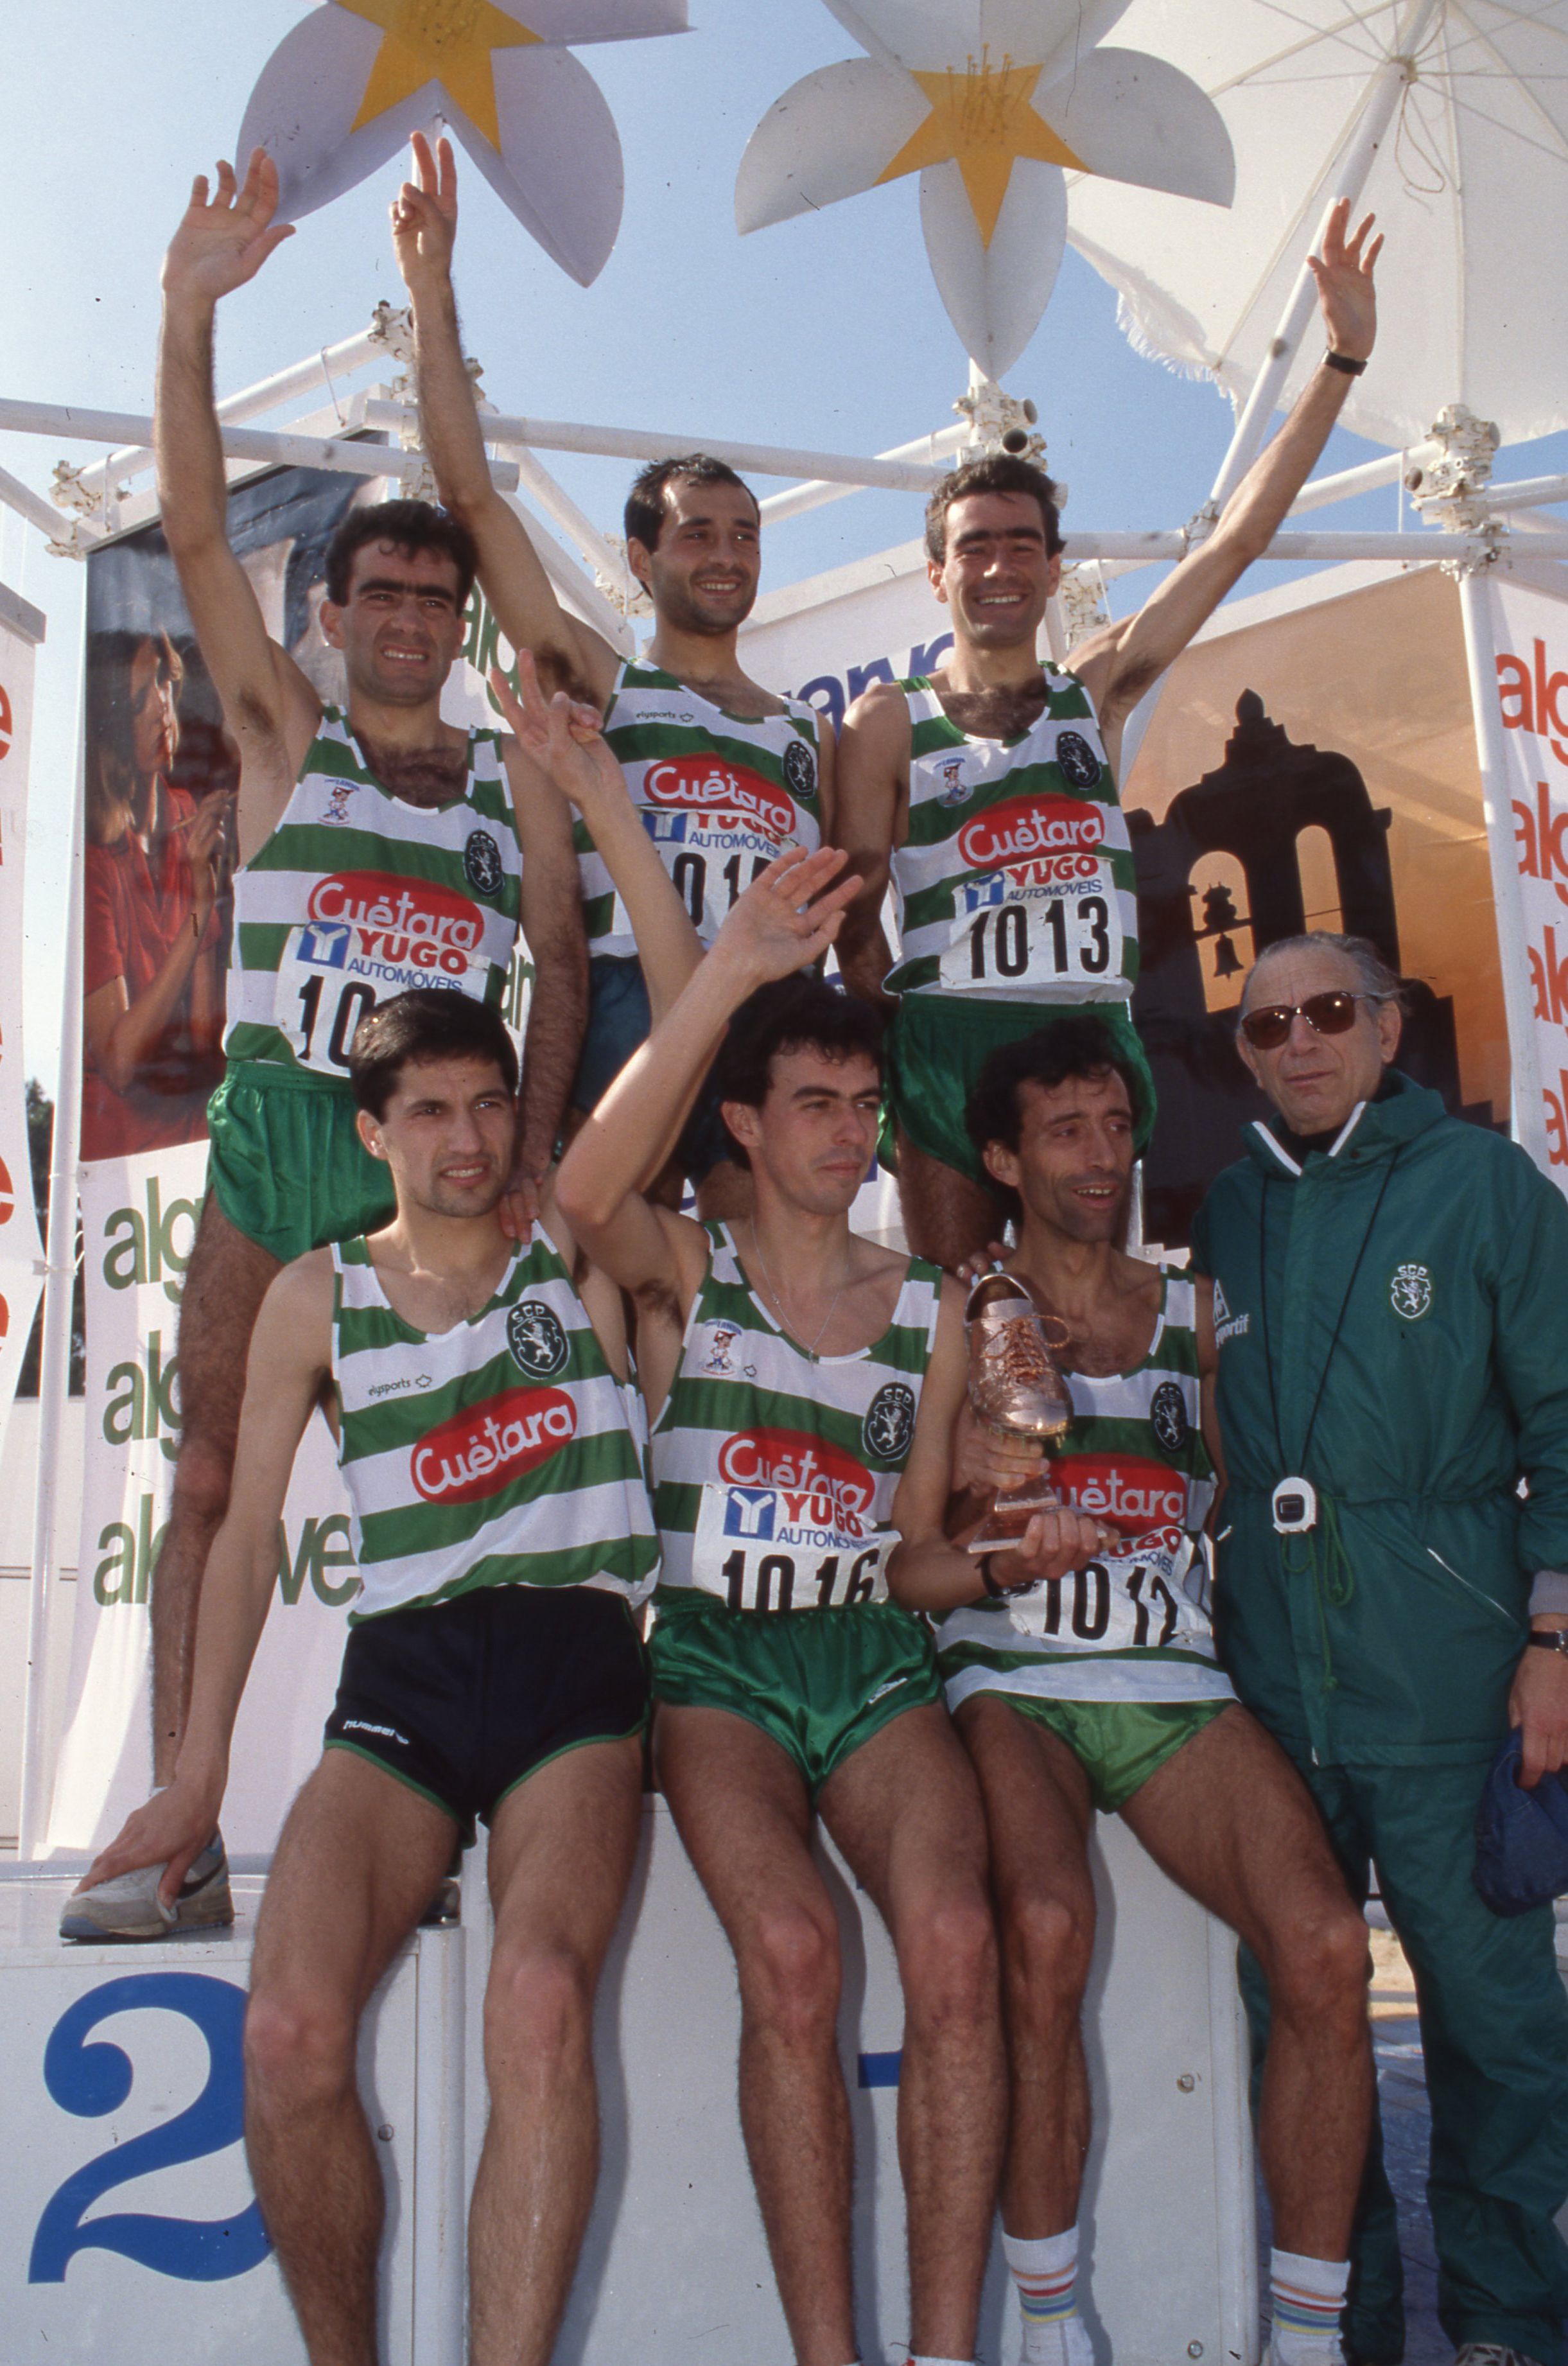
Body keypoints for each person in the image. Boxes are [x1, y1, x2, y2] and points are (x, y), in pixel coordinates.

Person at [539, 685, 1108, 2366]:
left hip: (865, 1654)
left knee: (951, 1937)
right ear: (746, 1120)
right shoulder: (683, 1267)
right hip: (714, 1662)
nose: (850, 1132)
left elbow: (918, 1552)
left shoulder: (933, 1302)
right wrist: (719, 965)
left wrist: (1001, 1556)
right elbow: (574, 1197)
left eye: (865, 1110)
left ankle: (944, 2348)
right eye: (814, 1104)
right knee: (792, 1949)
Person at [68, 152, 588, 1940]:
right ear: (335, 610)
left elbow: (565, 964)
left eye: (437, 602)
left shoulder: (511, 776)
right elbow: (200, 530)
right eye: (381, 591)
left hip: (444, 1160)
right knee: (213, 1478)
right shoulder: (288, 731)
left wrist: (527, 1152)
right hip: (293, 1128)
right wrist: (186, 308)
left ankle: (439, 1816)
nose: (410, 619)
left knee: (458, 1500)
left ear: (458, 625)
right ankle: (178, 1829)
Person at [67, 986, 656, 2366]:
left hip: (573, 1670)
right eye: (434, 1112)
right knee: (284, 2032)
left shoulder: (568, 1235)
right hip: (407, 1672)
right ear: (371, 1132)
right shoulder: (314, 1295)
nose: (470, 1139)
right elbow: (244, 1537)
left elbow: (666, 1035)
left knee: (541, 1998)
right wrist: (195, 1775)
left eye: (492, 1103)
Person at [890, 1012, 1375, 2366]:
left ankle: (1309, 2335)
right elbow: (909, 1561)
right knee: (1044, 1926)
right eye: (1066, 1132)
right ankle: (1053, 2322)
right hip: (1016, 1678)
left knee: (1332, 1950)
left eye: (1116, 1126)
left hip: (1170, 1679)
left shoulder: (1195, 1309)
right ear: (1001, 1154)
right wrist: (996, 1562)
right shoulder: (963, 1311)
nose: (1103, 1157)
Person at [833, 201, 1382, 1270]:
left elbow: (1233, 543)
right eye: (975, 548)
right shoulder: (889, 718)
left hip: (1086, 1033)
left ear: (1052, 566)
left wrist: (1342, 360)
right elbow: (853, 930)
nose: (998, 567)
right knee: (960, 1312)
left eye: (1021, 546)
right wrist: (897, 1056)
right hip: (948, 1033)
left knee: (1083, 1317)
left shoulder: (1099, 687)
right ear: (937, 572)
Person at [1191, 932, 1568, 2366]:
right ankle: (1340, 2321)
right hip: (1278, 1687)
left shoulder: (1483, 1188)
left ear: (1389, 1026)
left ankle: (1505, 2323)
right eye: (1264, 1024)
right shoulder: (1229, 1210)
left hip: (1450, 1676)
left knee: (1495, 2025)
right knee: (1300, 2016)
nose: (1297, 1042)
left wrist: (1555, 1633)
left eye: (1329, 1012)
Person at [392, 130, 833, 1216]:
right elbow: (475, 501)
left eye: (743, 533)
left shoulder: (801, 733)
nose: (724, 552)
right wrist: (432, 289)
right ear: (640, 560)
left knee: (752, 1289)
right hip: (631, 997)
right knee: (593, 1269)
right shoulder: (606, 677)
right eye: (696, 535)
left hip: (766, 1008)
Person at [82, 629, 227, 1159]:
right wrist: (199, 914)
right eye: (141, 700)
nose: (163, 709)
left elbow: (205, 1040)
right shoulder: (95, 860)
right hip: (118, 1153)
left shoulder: (186, 814)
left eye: (165, 684)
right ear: (110, 722)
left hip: (189, 1131)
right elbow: (120, 1063)